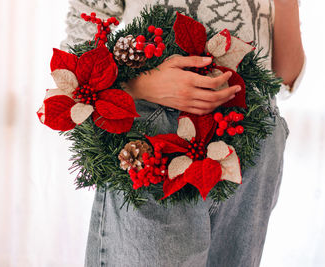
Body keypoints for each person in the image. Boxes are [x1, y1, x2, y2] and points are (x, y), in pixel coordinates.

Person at [63, 0, 305, 266]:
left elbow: (284, 77)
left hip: (252, 144)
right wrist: (139, 85)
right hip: (154, 146)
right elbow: (78, 48)